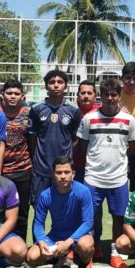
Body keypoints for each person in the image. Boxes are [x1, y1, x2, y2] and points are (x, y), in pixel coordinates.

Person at [76, 78, 135, 268]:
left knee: (118, 217)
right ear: (101, 96)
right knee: (90, 217)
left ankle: (115, 254)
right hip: (93, 178)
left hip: (118, 179)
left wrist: (119, 160)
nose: (110, 98)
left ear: (119, 96)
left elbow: (132, 144)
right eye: (106, 95)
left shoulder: (128, 120)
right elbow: (83, 145)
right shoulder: (89, 119)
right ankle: (91, 251)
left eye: (114, 94)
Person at [26, 156, 95, 268]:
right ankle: (59, 259)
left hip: (79, 235)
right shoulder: (45, 195)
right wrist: (41, 241)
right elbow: (38, 224)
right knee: (31, 257)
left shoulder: (83, 191)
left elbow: (88, 222)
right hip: (56, 235)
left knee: (86, 246)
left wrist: (68, 242)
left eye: (66, 172)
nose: (63, 176)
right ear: (53, 175)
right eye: (59, 172)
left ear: (73, 174)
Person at [28, 70, 82, 204]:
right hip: (41, 169)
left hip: (63, 170)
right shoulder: (36, 109)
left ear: (66, 86)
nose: (56, 85)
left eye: (60, 82)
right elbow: (32, 138)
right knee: (39, 207)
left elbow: (76, 139)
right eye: (52, 82)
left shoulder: (73, 110)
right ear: (46, 86)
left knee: (64, 208)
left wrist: (68, 155)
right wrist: (38, 158)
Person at [0, 80, 34, 242]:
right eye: (9, 93)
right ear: (2, 95)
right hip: (1, 172)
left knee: (21, 212)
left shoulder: (29, 114)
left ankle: (19, 246)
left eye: (16, 93)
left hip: (23, 170)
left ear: (22, 96)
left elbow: (33, 140)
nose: (12, 96)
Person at [73, 79, 99, 183]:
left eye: (89, 93)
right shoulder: (71, 111)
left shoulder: (102, 112)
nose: (86, 96)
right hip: (75, 163)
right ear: (78, 96)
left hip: (95, 165)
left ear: (95, 96)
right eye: (83, 93)